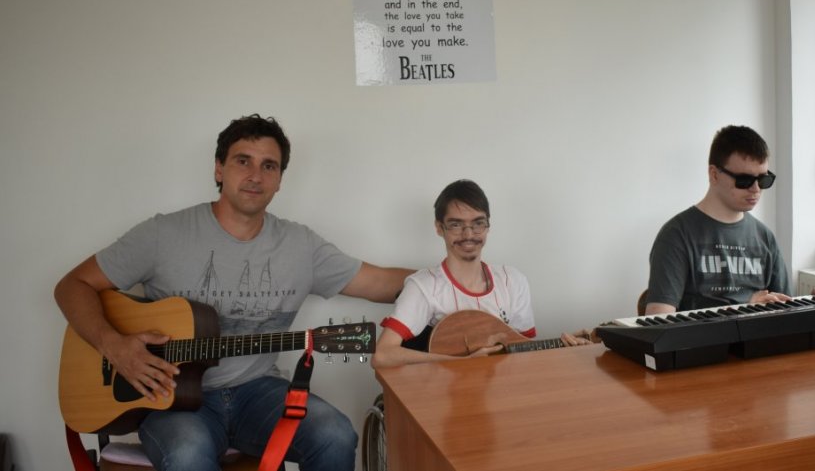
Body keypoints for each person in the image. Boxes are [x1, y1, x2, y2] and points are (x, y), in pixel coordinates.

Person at [54, 114, 414, 471]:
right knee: (187, 455)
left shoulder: (301, 246)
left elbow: (379, 282)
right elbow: (72, 286)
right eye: (243, 161)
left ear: (279, 181)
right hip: (171, 401)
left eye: (269, 166)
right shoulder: (162, 235)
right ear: (218, 169)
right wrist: (114, 346)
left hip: (259, 392)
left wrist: (446, 281)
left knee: (335, 435)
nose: (256, 175)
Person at [371, 179, 592, 368]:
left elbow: (524, 351)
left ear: (488, 226)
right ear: (439, 227)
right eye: (456, 225)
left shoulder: (513, 281)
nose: (468, 234)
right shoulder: (423, 286)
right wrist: (463, 363)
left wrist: (562, 346)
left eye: (478, 224)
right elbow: (382, 355)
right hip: (443, 397)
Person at [644, 125, 815, 315]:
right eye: (744, 180)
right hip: (706, 340)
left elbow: (785, 311)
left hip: (759, 339)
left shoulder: (764, 237)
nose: (755, 189)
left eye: (763, 180)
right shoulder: (676, 235)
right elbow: (659, 321)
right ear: (714, 174)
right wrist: (744, 311)